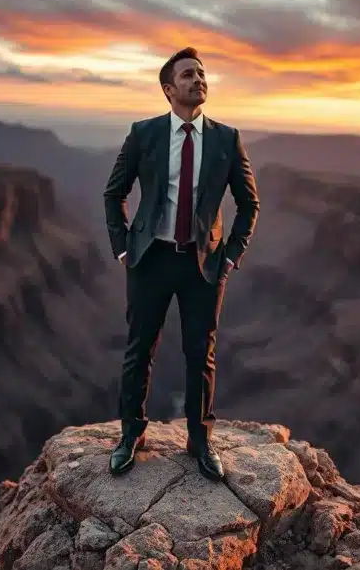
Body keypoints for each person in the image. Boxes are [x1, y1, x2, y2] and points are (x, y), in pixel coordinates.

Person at [102, 47, 260, 481]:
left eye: (202, 74)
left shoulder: (227, 138)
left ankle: (200, 440)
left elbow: (249, 204)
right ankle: (131, 435)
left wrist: (230, 256)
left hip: (203, 265)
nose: (199, 80)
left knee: (200, 355)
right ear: (169, 90)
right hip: (150, 259)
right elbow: (113, 193)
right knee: (139, 351)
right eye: (189, 75)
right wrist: (122, 248)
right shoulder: (144, 134)